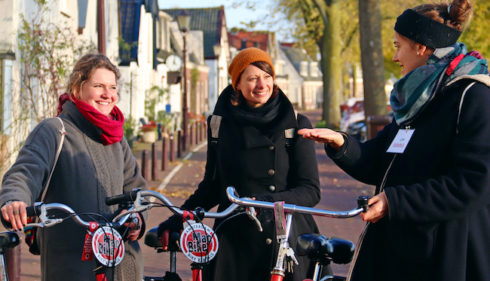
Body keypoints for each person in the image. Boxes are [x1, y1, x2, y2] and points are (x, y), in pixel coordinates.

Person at [299, 1, 490, 281]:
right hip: (400, 251)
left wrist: (395, 201)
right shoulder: (417, 98)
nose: (396, 56)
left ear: (421, 47)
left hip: (445, 256)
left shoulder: (474, 97)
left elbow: (475, 183)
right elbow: (380, 161)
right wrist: (341, 144)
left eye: (398, 45)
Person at [158, 47, 322, 281]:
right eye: (252, 78)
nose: (262, 85)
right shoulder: (219, 124)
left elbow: (310, 191)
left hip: (282, 238)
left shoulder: (295, 123)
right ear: (237, 83)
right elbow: (213, 186)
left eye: (267, 77)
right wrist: (179, 217)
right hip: (234, 242)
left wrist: (266, 202)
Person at [0, 54, 147, 281]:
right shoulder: (55, 130)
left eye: (112, 87)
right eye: (98, 86)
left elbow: (137, 189)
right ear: (78, 88)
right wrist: (14, 199)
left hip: (123, 266)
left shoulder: (117, 138)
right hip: (73, 265)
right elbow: (25, 172)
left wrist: (137, 217)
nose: (108, 95)